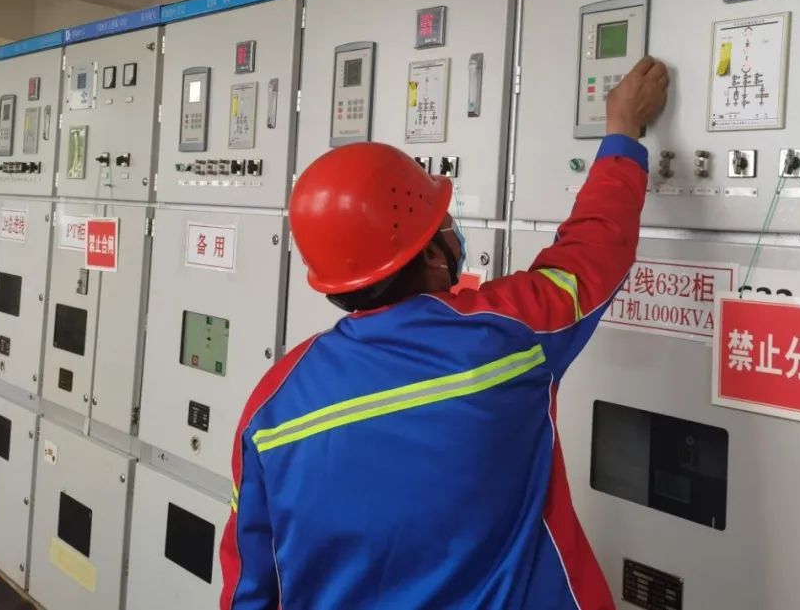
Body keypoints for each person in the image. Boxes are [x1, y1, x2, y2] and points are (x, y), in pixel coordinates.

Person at [220, 56, 669, 609]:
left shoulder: (271, 409)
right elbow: (593, 249)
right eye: (445, 223)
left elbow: (249, 586)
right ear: (434, 255)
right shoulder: (505, 336)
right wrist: (623, 133)